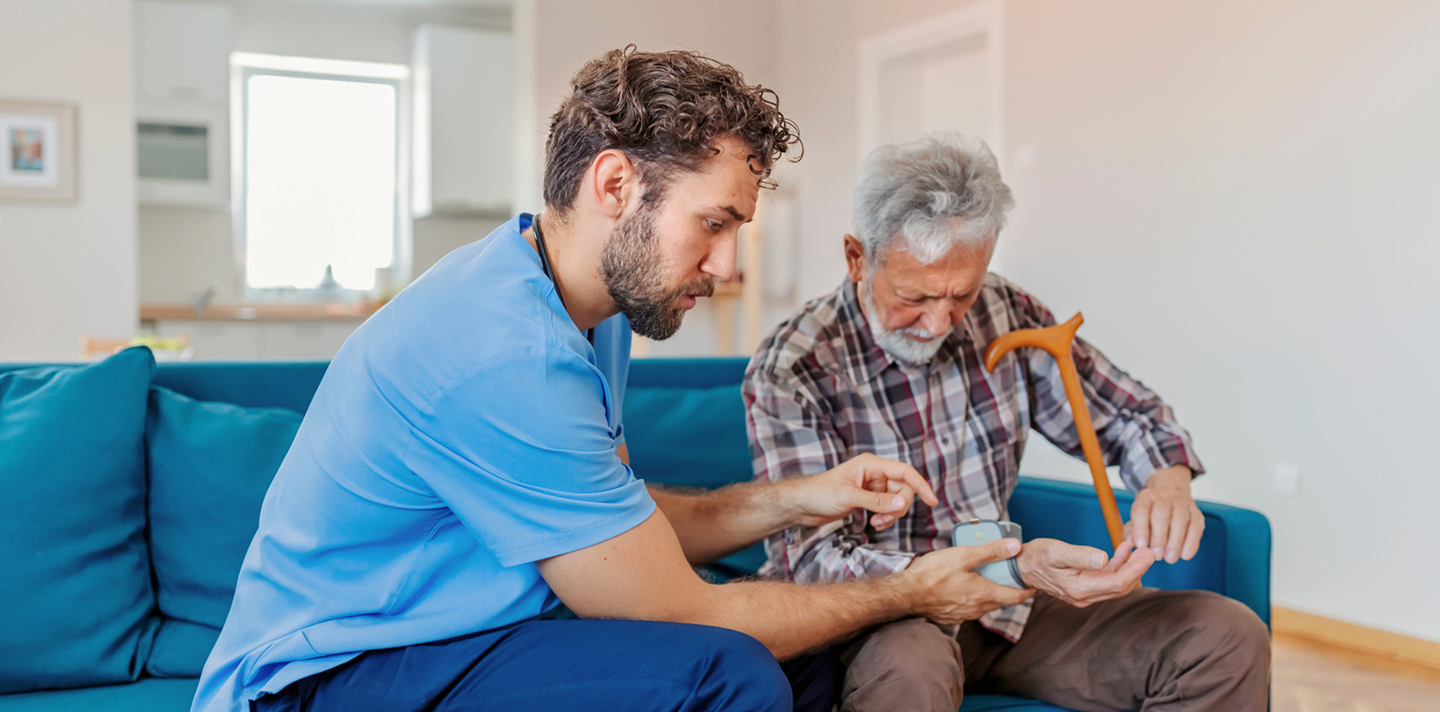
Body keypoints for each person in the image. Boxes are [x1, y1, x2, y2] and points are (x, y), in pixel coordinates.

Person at [192, 49, 1037, 712]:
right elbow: (680, 614)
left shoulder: (579, 308)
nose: (728, 264)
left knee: (806, 668)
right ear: (615, 182)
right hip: (325, 678)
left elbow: (613, 521)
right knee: (729, 673)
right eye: (713, 224)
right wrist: (904, 591)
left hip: (449, 638)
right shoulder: (502, 351)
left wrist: (802, 497)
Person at [743, 134, 1271, 712]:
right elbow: (814, 563)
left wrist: (1166, 477)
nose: (939, 321)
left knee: (1224, 635)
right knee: (912, 669)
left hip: (1009, 607)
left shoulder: (1007, 311)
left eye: (962, 293)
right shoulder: (796, 365)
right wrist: (1012, 565)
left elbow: (1128, 414)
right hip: (886, 616)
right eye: (916, 295)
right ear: (856, 259)